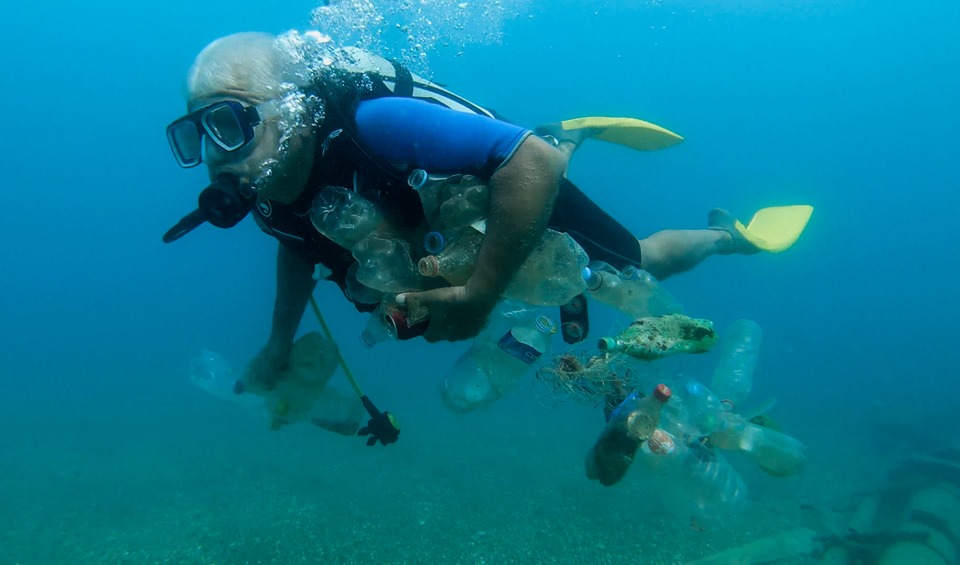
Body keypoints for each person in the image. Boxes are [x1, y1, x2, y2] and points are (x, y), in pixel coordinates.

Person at [164, 32, 807, 394]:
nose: (217, 158)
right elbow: (296, 243)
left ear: (294, 108)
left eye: (229, 122)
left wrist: (478, 295)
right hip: (446, 245)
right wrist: (278, 344)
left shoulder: (374, 125)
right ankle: (568, 139)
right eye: (194, 136)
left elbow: (528, 166)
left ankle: (724, 235)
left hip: (508, 185)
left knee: (636, 262)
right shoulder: (267, 181)